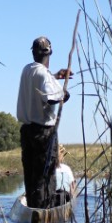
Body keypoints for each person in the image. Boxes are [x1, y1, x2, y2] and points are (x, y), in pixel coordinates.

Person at [16, 36, 71, 208]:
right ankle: (45, 210)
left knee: (31, 174)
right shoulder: (43, 74)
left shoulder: (27, 70)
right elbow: (50, 97)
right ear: (50, 53)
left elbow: (41, 81)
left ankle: (33, 207)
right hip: (44, 133)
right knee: (45, 175)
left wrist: (55, 76)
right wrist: (64, 94)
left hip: (27, 132)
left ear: (33, 53)